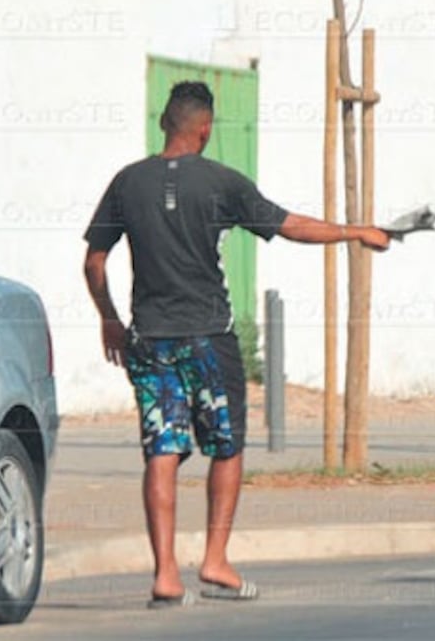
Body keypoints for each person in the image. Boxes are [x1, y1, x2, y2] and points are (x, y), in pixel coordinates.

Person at [83, 81, 390, 609]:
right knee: (226, 447)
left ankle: (165, 576)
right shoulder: (223, 183)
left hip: (150, 339)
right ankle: (215, 560)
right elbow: (289, 225)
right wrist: (357, 231)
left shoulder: (126, 183)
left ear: (165, 123)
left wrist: (109, 319)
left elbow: (94, 261)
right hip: (209, 340)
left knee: (162, 450)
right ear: (204, 130)